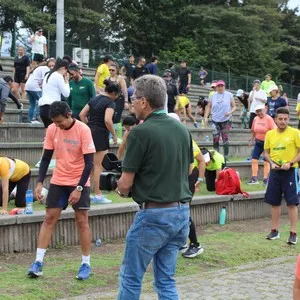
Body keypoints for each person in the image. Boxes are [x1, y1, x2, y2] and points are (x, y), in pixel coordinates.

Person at [116, 75, 193, 299]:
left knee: (131, 277)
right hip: (181, 213)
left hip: (154, 214)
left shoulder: (140, 132)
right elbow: (188, 171)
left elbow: (125, 185)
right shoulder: (181, 129)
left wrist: (120, 186)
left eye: (133, 99)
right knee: (166, 280)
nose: (131, 103)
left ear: (144, 102)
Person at [27, 101, 96, 279]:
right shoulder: (52, 129)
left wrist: (79, 188)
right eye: (55, 122)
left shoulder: (83, 130)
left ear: (69, 114)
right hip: (59, 179)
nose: (58, 126)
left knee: (82, 221)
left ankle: (85, 263)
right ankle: (38, 262)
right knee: (49, 218)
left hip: (79, 181)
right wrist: (40, 183)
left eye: (60, 122)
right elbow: (45, 159)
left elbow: (89, 164)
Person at [79, 79, 120, 204]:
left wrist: (88, 127)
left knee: (90, 166)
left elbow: (82, 114)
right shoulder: (110, 103)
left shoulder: (94, 100)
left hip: (88, 133)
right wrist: (114, 135)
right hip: (100, 135)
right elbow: (108, 120)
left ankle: (91, 193)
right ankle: (98, 195)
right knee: (99, 166)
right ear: (114, 93)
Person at [264, 107, 300, 244]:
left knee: (292, 203)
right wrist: (271, 163)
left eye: (285, 119)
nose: (283, 121)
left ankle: (293, 233)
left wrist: (290, 163)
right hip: (274, 172)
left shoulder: (296, 133)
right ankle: (274, 231)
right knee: (274, 202)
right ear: (275, 119)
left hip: (290, 172)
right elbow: (266, 152)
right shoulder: (270, 134)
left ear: (289, 120)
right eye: (280, 119)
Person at [204, 80, 236, 161]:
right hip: (215, 120)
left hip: (226, 120)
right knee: (215, 139)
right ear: (216, 87)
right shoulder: (213, 95)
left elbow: (234, 106)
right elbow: (208, 106)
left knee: (225, 138)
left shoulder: (229, 95)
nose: (220, 88)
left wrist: (230, 112)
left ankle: (226, 156)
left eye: (222, 86)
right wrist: (206, 117)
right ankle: (216, 156)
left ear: (224, 87)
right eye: (218, 86)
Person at [247, 104, 277, 186]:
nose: (259, 113)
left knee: (266, 160)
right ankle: (254, 178)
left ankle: (266, 179)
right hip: (258, 142)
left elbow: (274, 131)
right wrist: (252, 140)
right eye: (257, 111)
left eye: (260, 111)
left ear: (264, 110)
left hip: (267, 143)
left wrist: (273, 142)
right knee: (254, 159)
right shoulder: (255, 118)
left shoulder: (269, 119)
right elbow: (253, 130)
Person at [38, 58, 70, 129]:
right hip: (52, 108)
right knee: (56, 133)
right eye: (66, 71)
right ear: (64, 68)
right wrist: (66, 81)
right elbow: (66, 94)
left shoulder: (48, 75)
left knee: (48, 134)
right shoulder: (58, 76)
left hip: (43, 107)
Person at [25, 57, 56, 123]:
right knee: (41, 101)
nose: (51, 67)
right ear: (47, 65)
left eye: (53, 66)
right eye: (50, 66)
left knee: (32, 104)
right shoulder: (45, 69)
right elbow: (44, 79)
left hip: (28, 86)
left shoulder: (39, 68)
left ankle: (30, 119)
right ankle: (34, 118)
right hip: (34, 86)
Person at [105, 63, 128, 139]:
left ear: (117, 70)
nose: (111, 71)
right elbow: (106, 90)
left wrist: (126, 101)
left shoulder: (120, 78)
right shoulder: (107, 78)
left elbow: (124, 90)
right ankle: (110, 135)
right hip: (109, 99)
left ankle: (118, 136)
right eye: (110, 70)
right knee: (109, 117)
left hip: (119, 99)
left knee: (116, 118)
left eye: (113, 70)